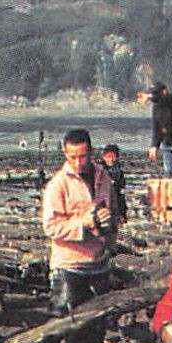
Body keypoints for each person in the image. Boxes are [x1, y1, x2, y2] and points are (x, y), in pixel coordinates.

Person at [42, 127, 116, 318]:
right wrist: (86, 223)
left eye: (82, 156)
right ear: (65, 153)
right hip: (69, 266)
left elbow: (113, 210)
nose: (78, 163)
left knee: (96, 327)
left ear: (91, 152)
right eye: (72, 157)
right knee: (66, 326)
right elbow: (51, 226)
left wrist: (109, 234)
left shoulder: (104, 177)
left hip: (99, 263)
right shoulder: (57, 185)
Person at [98, 143, 129, 229]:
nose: (111, 159)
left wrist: (123, 213)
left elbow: (121, 194)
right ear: (103, 157)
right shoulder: (98, 171)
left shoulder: (119, 172)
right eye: (108, 156)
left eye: (113, 157)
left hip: (115, 202)